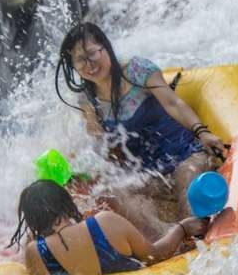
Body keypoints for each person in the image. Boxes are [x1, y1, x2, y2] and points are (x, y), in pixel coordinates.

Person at [55, 22, 227, 223]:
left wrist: (202, 132)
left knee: (190, 197)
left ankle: (194, 228)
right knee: (116, 194)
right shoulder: (88, 100)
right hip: (149, 174)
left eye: (92, 54)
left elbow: (173, 103)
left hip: (184, 155)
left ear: (106, 47)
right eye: (80, 60)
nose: (89, 64)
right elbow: (100, 146)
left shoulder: (137, 71)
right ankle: (168, 241)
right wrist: (85, 171)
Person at [8, 180, 208, 275]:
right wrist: (182, 229)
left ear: (31, 219)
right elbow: (155, 256)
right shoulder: (106, 222)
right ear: (66, 202)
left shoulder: (35, 252)